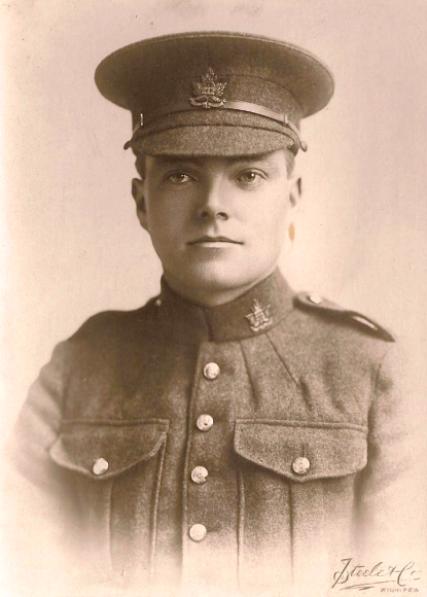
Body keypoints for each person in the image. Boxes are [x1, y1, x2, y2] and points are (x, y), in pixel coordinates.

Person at [7, 31, 421, 597]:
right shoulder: (78, 370)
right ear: (142, 202)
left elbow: (397, 582)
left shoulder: (371, 373)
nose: (213, 206)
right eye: (180, 175)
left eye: (248, 176)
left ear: (292, 195)